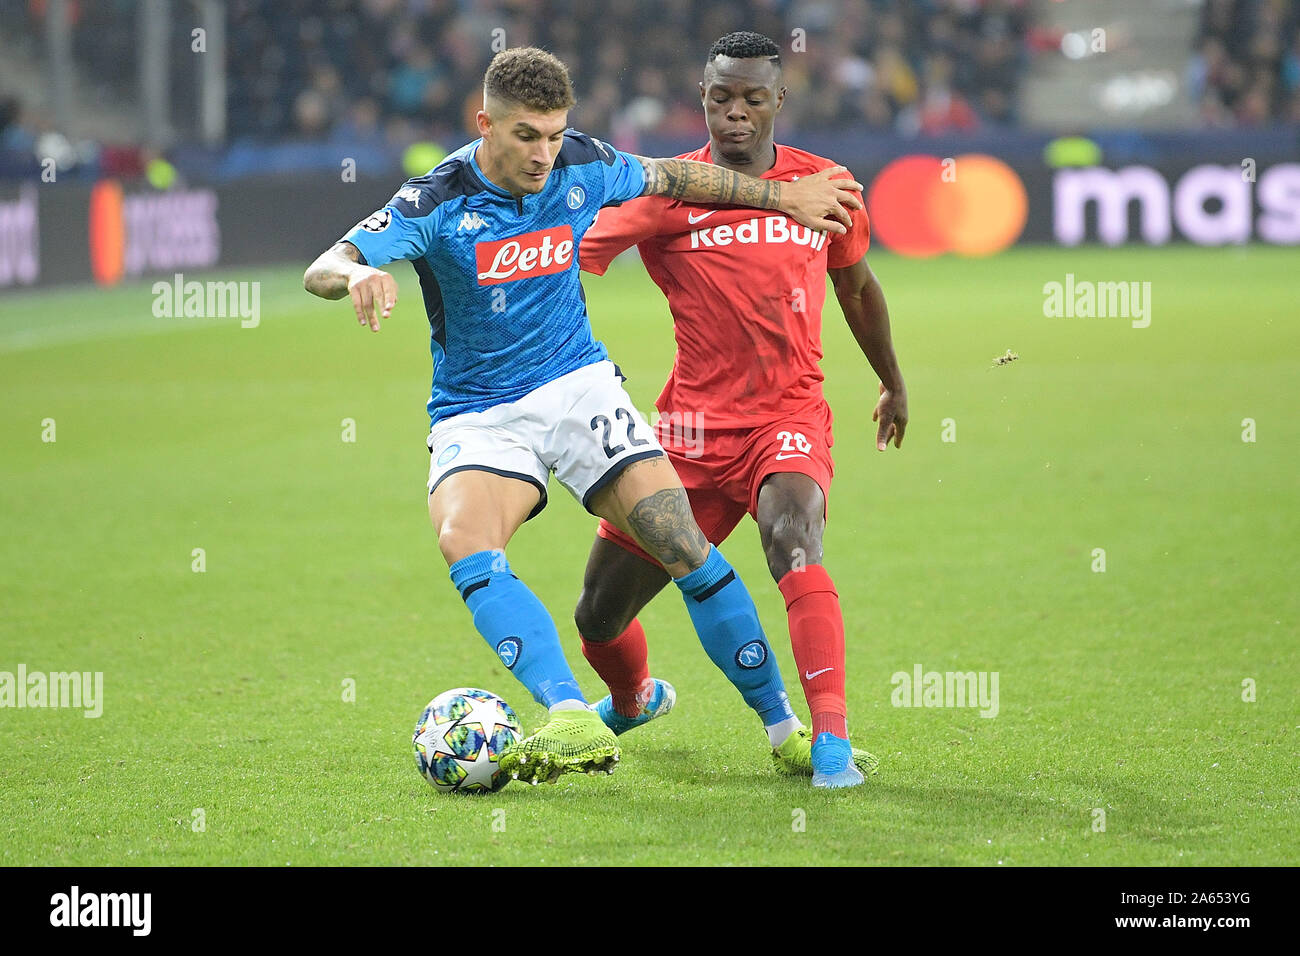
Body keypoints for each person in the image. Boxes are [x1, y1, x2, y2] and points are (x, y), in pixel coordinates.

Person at [303, 47, 864, 785]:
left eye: (554, 135)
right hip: (481, 410)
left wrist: (781, 198)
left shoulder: (583, 164)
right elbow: (324, 265)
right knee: (463, 538)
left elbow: (677, 175)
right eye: (526, 136)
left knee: (682, 541)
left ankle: (786, 728)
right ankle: (569, 711)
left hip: (579, 388)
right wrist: (360, 273)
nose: (544, 155)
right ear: (486, 125)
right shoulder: (433, 201)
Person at [576, 32, 907, 788]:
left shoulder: (827, 185)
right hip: (687, 436)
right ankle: (633, 700)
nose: (735, 113)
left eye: (752, 98)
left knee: (793, 539)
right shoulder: (668, 192)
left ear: (778, 102)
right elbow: (572, 259)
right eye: (721, 97)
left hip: (785, 419)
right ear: (702, 98)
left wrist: (891, 380)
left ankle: (828, 741)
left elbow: (856, 287)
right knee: (598, 615)